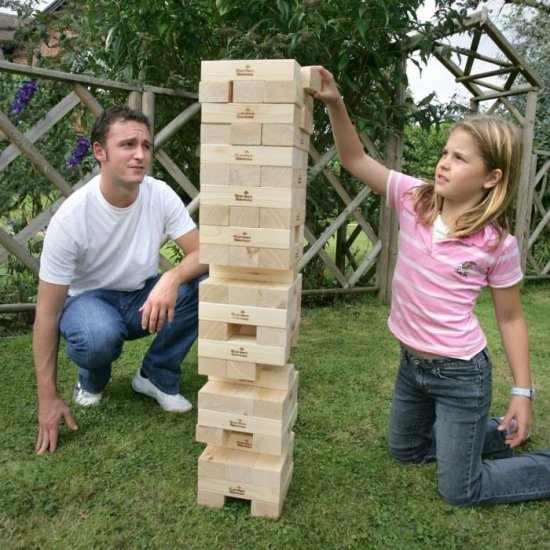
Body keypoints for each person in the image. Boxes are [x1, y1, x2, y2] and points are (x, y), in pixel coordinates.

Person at [314, 66, 550, 506]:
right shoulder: (414, 198)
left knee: (461, 491)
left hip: (461, 374)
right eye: (446, 152)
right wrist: (335, 102)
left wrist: (523, 392)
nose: (444, 162)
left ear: (491, 178)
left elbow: (512, 318)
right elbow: (354, 159)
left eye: (461, 158)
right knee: (404, 451)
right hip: (412, 367)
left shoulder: (497, 244)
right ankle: (482, 434)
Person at [33, 105, 208, 454]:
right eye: (128, 144)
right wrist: (47, 397)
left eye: (146, 145)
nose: (140, 154)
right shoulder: (71, 218)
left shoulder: (158, 193)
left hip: (140, 297)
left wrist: (172, 277)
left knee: (207, 285)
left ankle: (155, 375)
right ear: (100, 151)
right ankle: (91, 380)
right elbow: (47, 315)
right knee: (98, 336)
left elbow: (205, 252)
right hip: (88, 304)